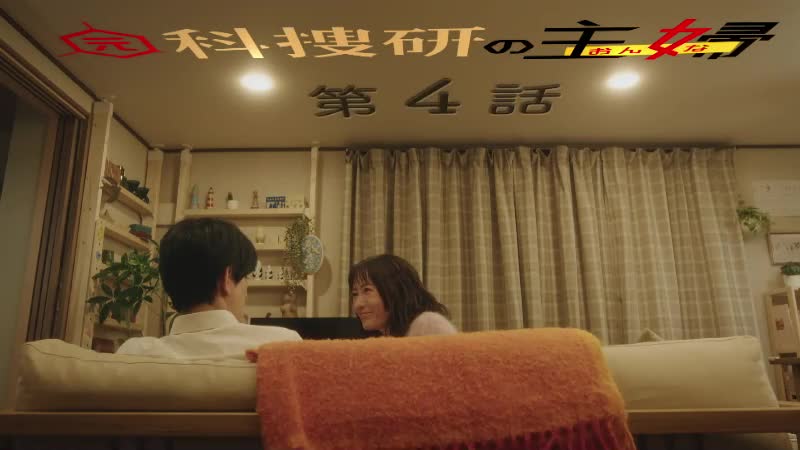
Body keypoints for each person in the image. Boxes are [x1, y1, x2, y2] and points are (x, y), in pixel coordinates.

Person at [117, 218, 300, 359]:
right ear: (227, 278)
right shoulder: (283, 346)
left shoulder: (132, 354)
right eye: (245, 277)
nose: (246, 290)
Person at [349, 254, 457, 337]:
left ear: (395, 291)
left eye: (367, 290)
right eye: (355, 294)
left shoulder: (428, 324)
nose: (357, 305)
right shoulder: (381, 338)